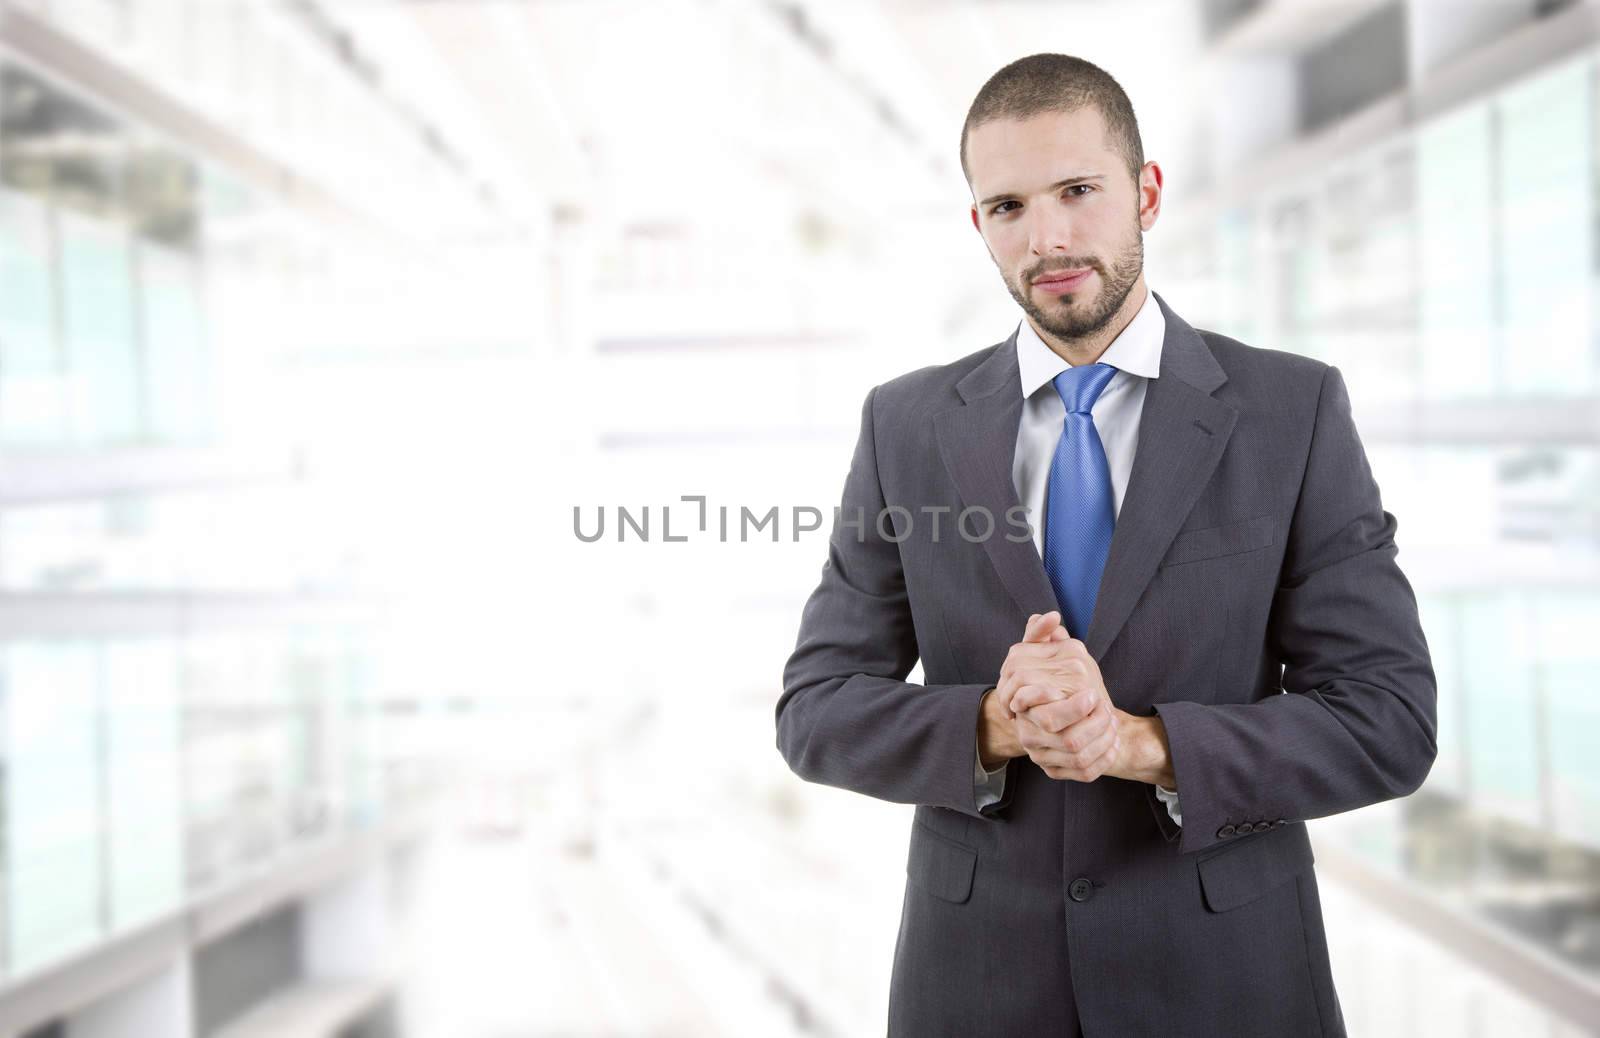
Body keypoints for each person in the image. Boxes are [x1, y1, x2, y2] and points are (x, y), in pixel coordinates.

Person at [775, 53, 1437, 1038]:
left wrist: (1140, 744)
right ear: (977, 226)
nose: (1045, 237)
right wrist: (996, 726)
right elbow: (816, 709)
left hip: (1230, 985)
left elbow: (1387, 720)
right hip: (978, 989)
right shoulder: (905, 426)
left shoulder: (1289, 411)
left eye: (1076, 191)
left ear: (1146, 192)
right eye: (1005, 207)